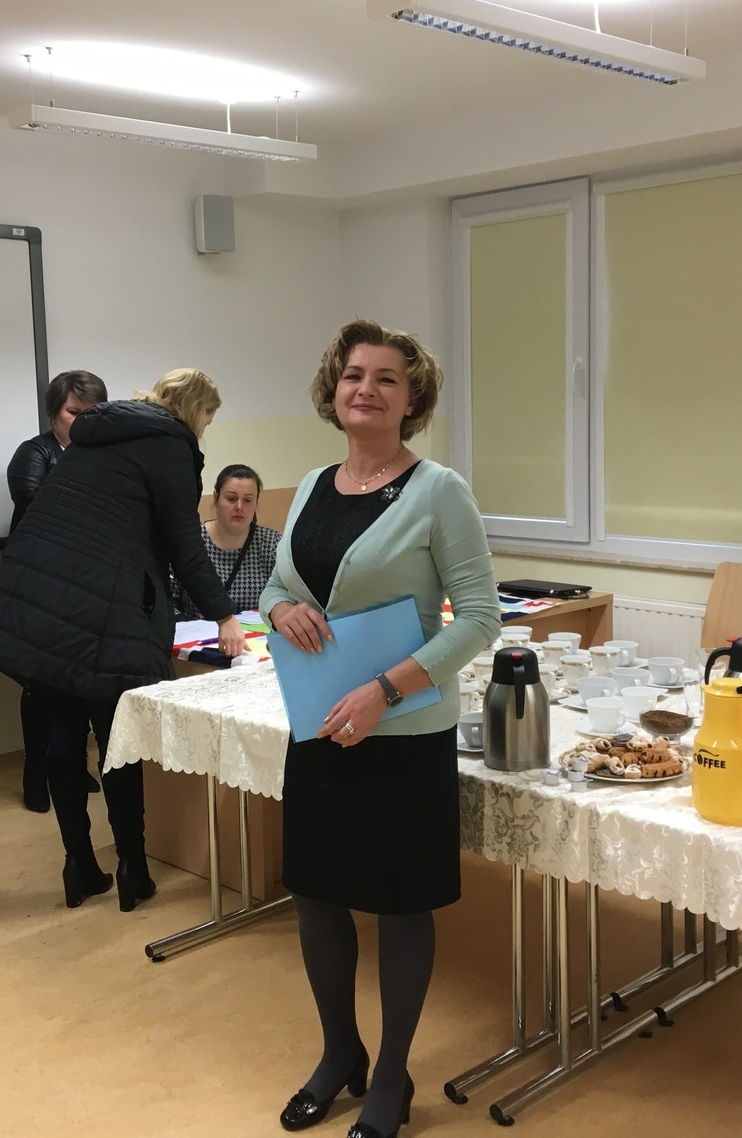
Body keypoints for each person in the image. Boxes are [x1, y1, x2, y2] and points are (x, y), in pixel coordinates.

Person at [259, 321, 498, 1138]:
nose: (367, 388)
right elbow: (278, 587)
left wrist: (385, 692)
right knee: (316, 897)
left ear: (411, 399)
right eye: (354, 374)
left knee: (400, 905)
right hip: (320, 726)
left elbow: (480, 618)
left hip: (401, 733)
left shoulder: (439, 491)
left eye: (387, 378)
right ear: (334, 391)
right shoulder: (312, 485)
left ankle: (392, 1075)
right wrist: (280, 610)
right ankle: (340, 1055)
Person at [0, 369, 247, 912]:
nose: (205, 429)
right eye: (208, 419)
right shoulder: (172, 444)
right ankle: (132, 868)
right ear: (195, 411)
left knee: (62, 738)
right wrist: (225, 615)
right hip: (105, 608)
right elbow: (183, 544)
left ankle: (78, 863)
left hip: (43, 598)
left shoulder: (94, 437)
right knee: (116, 742)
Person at [6, 369, 110, 812]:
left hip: (88, 584)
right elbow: (35, 507)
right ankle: (35, 775)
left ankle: (74, 767)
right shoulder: (35, 453)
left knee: (80, 682)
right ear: (54, 413)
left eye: (91, 413)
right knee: (40, 685)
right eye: (73, 412)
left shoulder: (104, 456)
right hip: (40, 584)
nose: (82, 421)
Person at [172, 463, 282, 620]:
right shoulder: (190, 542)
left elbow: (285, 597)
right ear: (216, 498)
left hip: (256, 634)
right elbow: (167, 603)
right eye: (231, 498)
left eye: (248, 500)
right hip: (196, 633)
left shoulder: (272, 544)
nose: (239, 507)